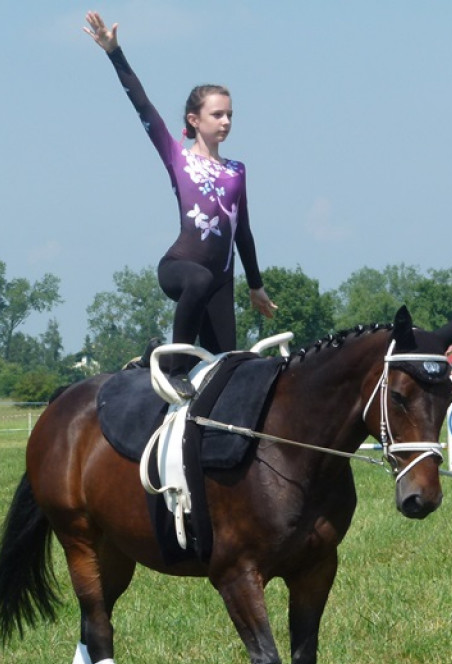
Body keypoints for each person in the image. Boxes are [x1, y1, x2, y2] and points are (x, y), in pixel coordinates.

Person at [84, 11, 277, 399]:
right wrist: (114, 52)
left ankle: (153, 359)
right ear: (195, 119)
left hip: (221, 283)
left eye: (230, 115)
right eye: (217, 114)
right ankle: (169, 366)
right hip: (180, 269)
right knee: (199, 284)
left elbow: (243, 232)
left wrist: (255, 286)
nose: (225, 121)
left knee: (225, 369)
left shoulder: (237, 171)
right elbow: (142, 105)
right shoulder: (178, 157)